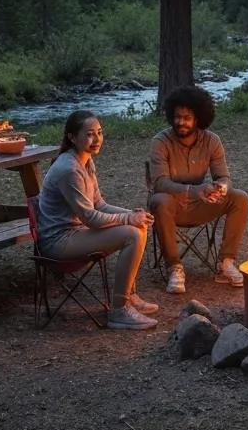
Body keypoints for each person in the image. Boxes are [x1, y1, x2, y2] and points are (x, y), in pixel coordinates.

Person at [37, 109, 159, 330]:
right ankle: (119, 311)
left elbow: (99, 204)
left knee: (137, 226)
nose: (96, 139)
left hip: (77, 231)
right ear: (72, 137)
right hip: (58, 241)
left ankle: (129, 296)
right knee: (132, 233)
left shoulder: (85, 161)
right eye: (89, 134)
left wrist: (132, 215)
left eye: (99, 133)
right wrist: (127, 219)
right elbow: (91, 218)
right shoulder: (69, 169)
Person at [148, 85, 248, 294]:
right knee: (160, 199)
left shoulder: (211, 141)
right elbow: (159, 183)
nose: (180, 122)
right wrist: (195, 191)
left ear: (198, 118)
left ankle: (226, 264)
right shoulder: (161, 142)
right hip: (170, 207)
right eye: (177, 117)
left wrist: (221, 187)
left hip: (201, 204)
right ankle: (174, 267)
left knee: (239, 197)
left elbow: (223, 176)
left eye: (186, 117)